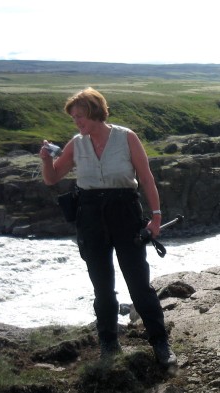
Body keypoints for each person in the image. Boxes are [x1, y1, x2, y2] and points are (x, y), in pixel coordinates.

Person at [39, 87, 176, 366]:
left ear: (95, 112)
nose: (76, 122)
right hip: (90, 217)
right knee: (102, 287)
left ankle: (160, 343)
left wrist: (156, 217)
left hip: (125, 213)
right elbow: (52, 178)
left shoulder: (127, 138)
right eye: (74, 117)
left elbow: (146, 179)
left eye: (80, 116)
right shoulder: (76, 144)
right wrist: (45, 159)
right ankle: (109, 345)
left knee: (138, 283)